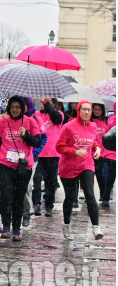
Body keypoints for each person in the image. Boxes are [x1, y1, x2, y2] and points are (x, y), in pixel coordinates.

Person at [0, 96, 42, 241]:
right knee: (6, 195)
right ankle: (6, 227)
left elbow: (38, 142)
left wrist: (26, 135)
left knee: (19, 197)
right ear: (9, 108)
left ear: (23, 108)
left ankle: (16, 229)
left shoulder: (30, 121)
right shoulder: (3, 122)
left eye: (18, 107)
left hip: (24, 166)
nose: (15, 110)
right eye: (13, 107)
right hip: (5, 164)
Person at [57, 100, 103, 240]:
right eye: (84, 109)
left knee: (89, 192)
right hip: (68, 167)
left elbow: (93, 141)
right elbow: (59, 147)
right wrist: (74, 151)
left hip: (86, 165)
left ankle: (96, 227)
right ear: (78, 110)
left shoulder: (93, 126)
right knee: (70, 197)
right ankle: (66, 224)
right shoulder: (68, 127)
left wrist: (97, 148)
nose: (87, 112)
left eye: (89, 110)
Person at [32, 98, 64, 217]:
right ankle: (36, 203)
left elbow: (57, 118)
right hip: (38, 154)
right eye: (42, 102)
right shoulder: (36, 115)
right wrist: (35, 102)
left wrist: (47, 103)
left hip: (52, 154)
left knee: (51, 182)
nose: (43, 104)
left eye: (48, 102)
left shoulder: (58, 115)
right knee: (36, 180)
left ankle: (49, 206)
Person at [21, 97, 46, 227]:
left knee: (27, 187)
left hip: (31, 160)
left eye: (25, 105)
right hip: (13, 159)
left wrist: (35, 152)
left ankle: (26, 213)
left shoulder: (36, 119)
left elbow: (43, 139)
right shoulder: (12, 119)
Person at [91, 102, 115, 208]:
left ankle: (106, 196)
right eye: (95, 109)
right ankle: (102, 193)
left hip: (111, 152)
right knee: (99, 174)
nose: (97, 111)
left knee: (110, 175)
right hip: (98, 151)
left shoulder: (107, 120)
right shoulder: (93, 122)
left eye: (99, 110)